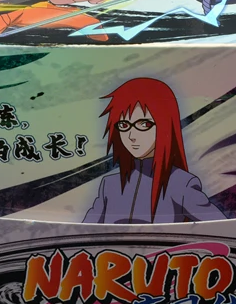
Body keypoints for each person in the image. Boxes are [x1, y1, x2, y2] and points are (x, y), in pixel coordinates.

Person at [83, 78, 226, 224]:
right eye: (124, 125)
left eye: (144, 124)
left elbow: (221, 228)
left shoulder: (180, 183)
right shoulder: (109, 185)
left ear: (165, 124)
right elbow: (84, 231)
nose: (131, 136)